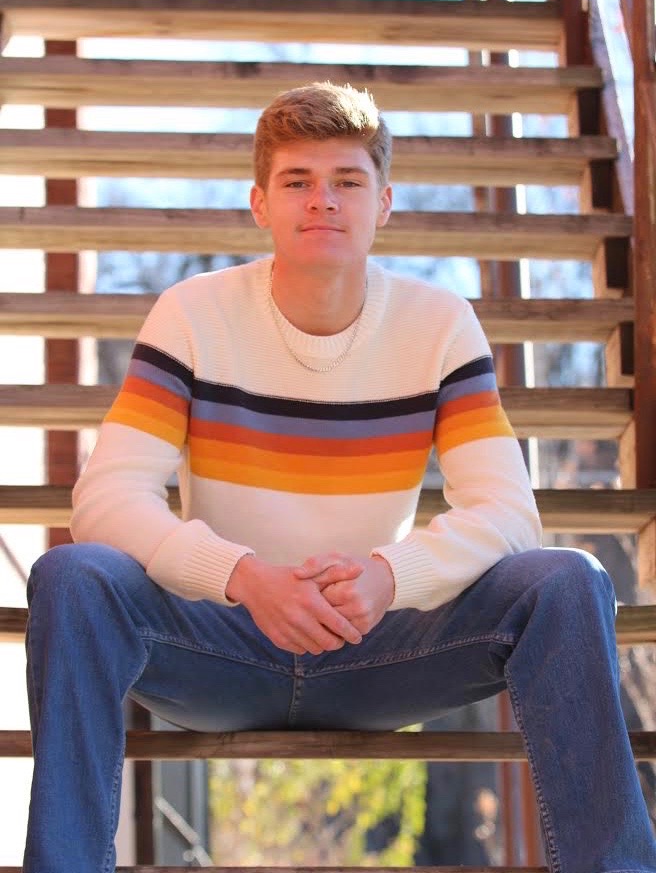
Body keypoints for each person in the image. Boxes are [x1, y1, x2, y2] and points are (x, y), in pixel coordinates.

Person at [24, 82, 656, 873]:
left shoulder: (438, 324)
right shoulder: (191, 314)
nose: (323, 201)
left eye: (347, 181)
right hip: (216, 648)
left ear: (383, 202)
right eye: (298, 181)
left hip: (379, 653)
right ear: (260, 202)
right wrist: (243, 577)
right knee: (74, 575)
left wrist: (390, 577)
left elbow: (507, 511)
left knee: (568, 579)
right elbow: (107, 499)